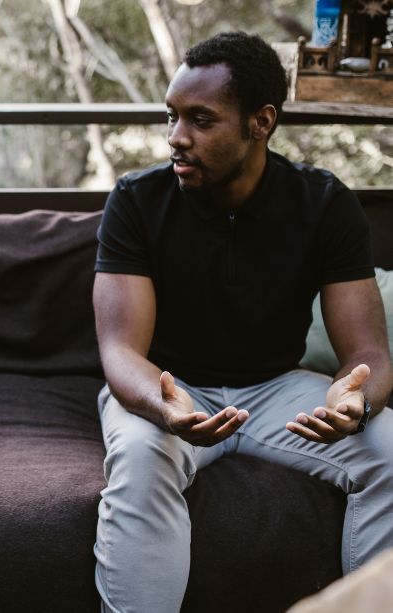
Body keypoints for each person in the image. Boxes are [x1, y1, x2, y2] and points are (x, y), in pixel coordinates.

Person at [92, 31, 393, 613]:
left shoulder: (324, 203)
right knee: (140, 460)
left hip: (280, 388)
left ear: (261, 122)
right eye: (172, 116)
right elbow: (120, 352)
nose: (176, 138)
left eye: (201, 120)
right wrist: (165, 408)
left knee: (390, 452)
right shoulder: (136, 199)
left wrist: (358, 403)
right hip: (170, 387)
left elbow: (370, 356)